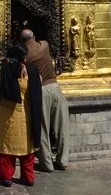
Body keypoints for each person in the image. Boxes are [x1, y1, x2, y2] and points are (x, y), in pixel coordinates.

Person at [0, 43, 42, 187]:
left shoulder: (4, 70)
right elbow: (40, 83)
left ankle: (7, 177)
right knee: (27, 147)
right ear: (24, 57)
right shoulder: (32, 70)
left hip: (9, 115)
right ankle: (28, 177)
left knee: (8, 147)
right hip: (27, 114)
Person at [20, 29, 69, 171]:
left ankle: (46, 163)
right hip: (55, 88)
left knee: (43, 127)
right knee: (62, 126)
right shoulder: (45, 45)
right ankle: (63, 160)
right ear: (34, 37)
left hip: (40, 91)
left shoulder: (25, 56)